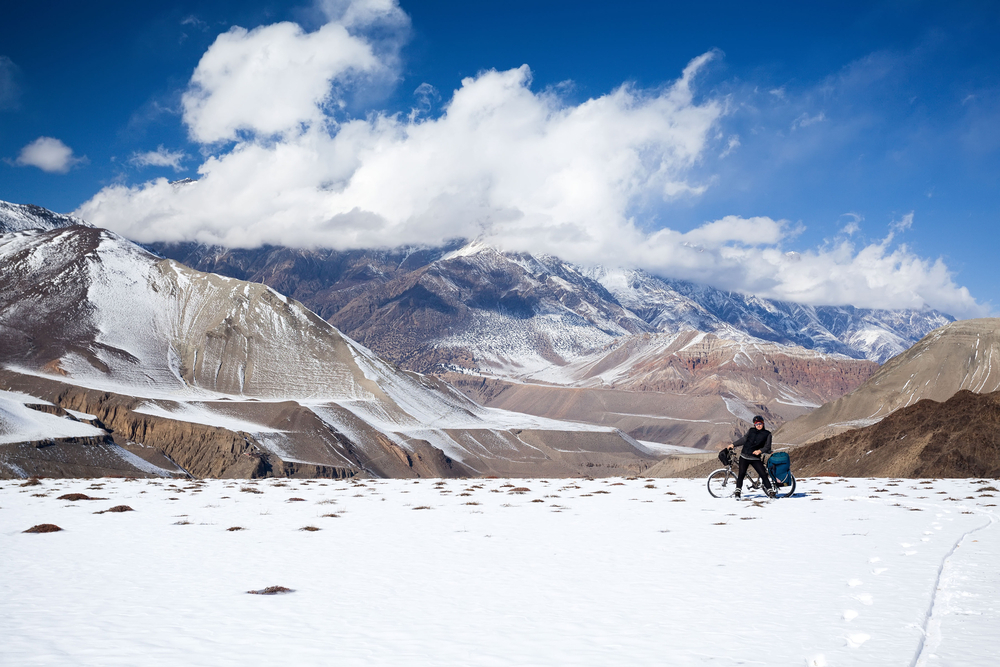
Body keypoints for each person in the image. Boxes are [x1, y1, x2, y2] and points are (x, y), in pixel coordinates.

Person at [727, 415, 775, 499]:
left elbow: (767, 447)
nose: (758, 425)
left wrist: (759, 451)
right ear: (754, 425)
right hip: (744, 456)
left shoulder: (767, 434)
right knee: (741, 474)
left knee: (763, 474)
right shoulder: (751, 431)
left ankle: (770, 491)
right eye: (756, 424)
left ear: (763, 424)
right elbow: (744, 439)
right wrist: (733, 444)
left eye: (760, 423)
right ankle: (737, 492)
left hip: (755, 458)